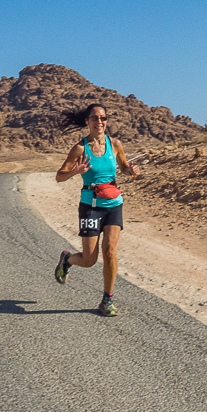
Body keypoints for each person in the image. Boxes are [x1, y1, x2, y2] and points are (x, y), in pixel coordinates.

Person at [53, 103, 141, 316]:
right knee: (89, 260)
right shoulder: (80, 149)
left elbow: (123, 168)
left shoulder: (115, 144)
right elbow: (59, 176)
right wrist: (76, 171)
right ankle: (67, 259)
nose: (99, 122)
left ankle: (107, 301)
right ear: (87, 121)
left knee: (110, 251)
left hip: (113, 204)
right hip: (90, 207)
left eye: (103, 118)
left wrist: (131, 171)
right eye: (94, 118)